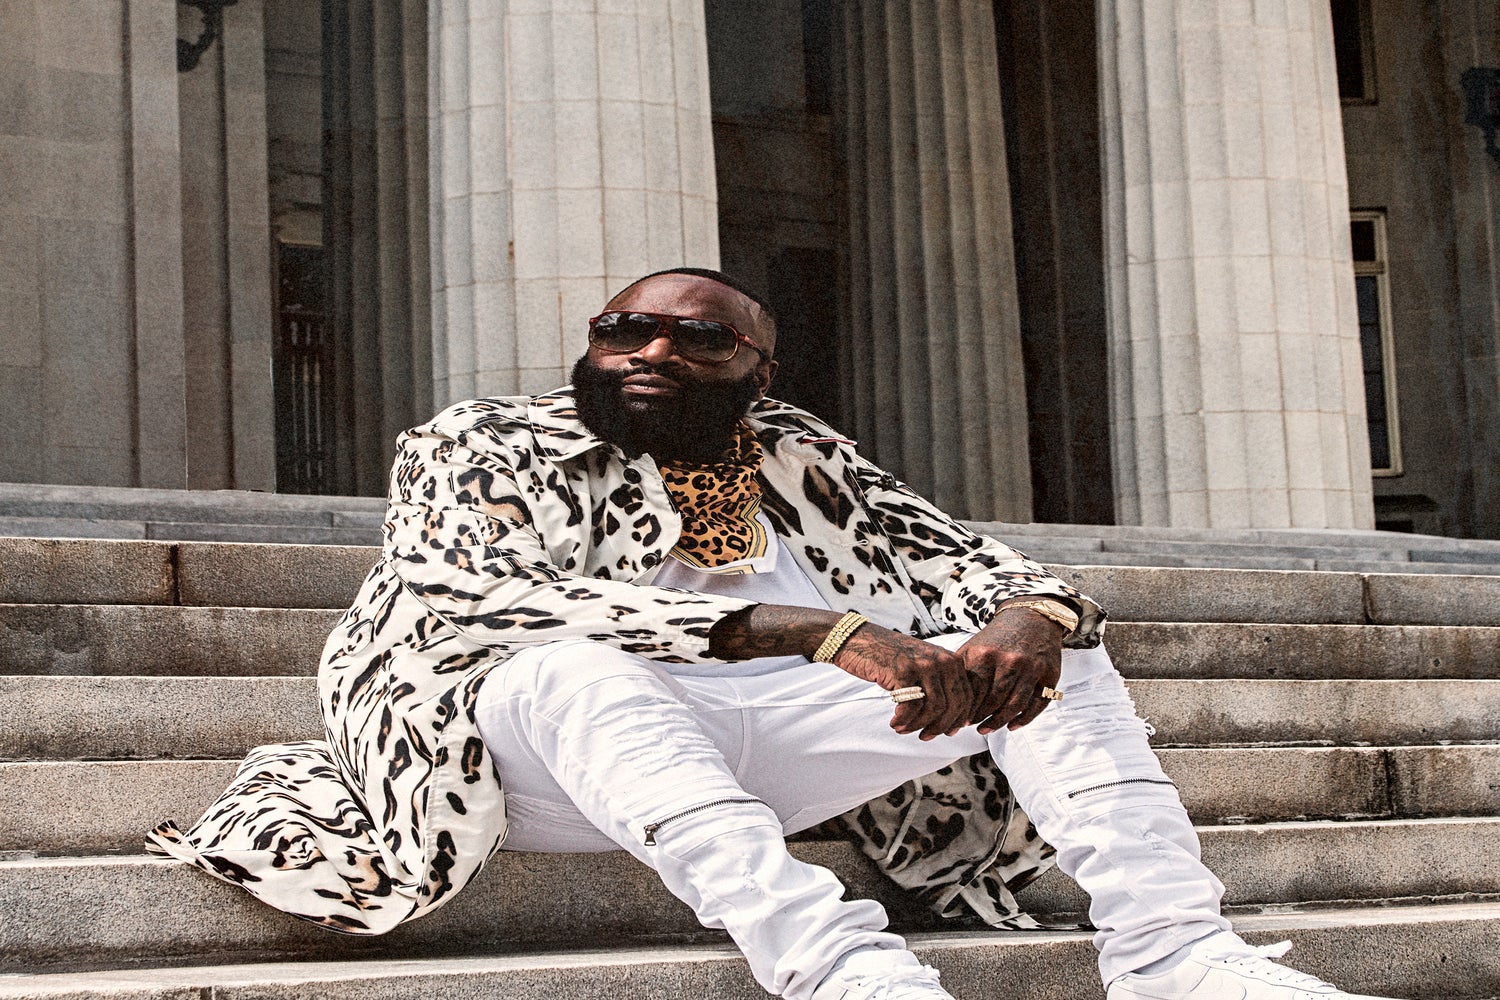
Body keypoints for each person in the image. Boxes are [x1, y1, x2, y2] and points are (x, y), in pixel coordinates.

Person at [149, 269, 1404, 1000]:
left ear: (758, 370)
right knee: (574, 670)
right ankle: (840, 970)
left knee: (1048, 657)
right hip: (526, 760)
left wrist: (1034, 614)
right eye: (622, 331)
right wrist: (807, 628)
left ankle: (1176, 952)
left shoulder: (802, 452)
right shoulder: (479, 440)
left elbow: (962, 558)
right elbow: (478, 600)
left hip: (773, 743)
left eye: (698, 339)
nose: (649, 351)